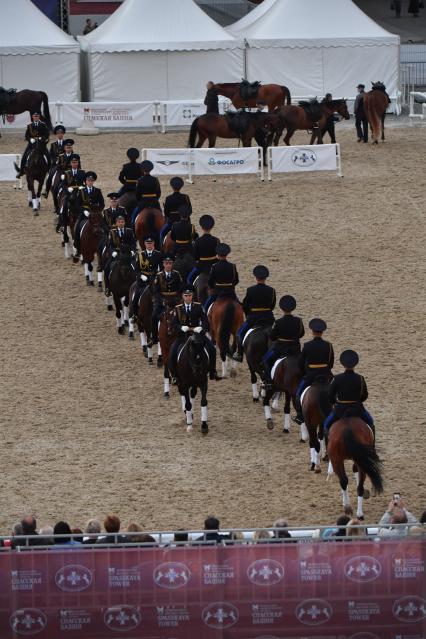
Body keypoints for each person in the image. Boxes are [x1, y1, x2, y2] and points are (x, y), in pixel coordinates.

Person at [169, 285, 217, 380]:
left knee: (212, 349)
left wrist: (201, 328)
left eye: (190, 295)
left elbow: (205, 322)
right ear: (183, 297)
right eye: (186, 296)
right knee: (172, 352)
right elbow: (173, 324)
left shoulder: (198, 306)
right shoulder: (178, 308)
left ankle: (212, 371)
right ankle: (174, 375)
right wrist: (181, 327)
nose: (188, 297)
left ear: (192, 296)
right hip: (183, 335)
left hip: (197, 334)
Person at [323, 349, 375, 437]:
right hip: (357, 409)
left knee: (326, 425)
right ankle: (372, 448)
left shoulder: (337, 378)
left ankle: (328, 450)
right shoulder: (360, 378)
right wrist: (357, 401)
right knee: (371, 423)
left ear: (343, 365)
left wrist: (335, 402)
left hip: (340, 409)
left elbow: (330, 396)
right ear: (355, 364)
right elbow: (364, 396)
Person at [293, 318, 334, 424]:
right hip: (326, 374)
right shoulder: (328, 345)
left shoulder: (307, 346)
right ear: (322, 332)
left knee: (299, 394)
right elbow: (331, 363)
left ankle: (300, 416)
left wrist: (305, 373)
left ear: (312, 331)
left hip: (311, 375)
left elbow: (300, 363)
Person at [233, 265, 276, 362]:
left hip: (254, 318)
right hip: (269, 318)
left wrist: (248, 314)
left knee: (239, 333)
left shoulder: (251, 290)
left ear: (256, 277)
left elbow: (246, 305)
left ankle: (239, 354)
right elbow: (272, 305)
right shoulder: (271, 290)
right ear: (265, 278)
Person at [262, 295, 305, 386]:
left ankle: (268, 381)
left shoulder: (278, 322)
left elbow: (272, 337)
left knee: (265, 360)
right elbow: (301, 334)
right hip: (295, 349)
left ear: (282, 309)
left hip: (280, 349)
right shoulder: (299, 321)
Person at [151, 255, 183, 345]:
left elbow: (180, 289)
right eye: (166, 263)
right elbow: (156, 291)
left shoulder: (176, 274)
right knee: (154, 316)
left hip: (175, 299)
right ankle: (154, 337)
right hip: (162, 300)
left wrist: (177, 299)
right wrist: (162, 301)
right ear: (163, 265)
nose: (168, 265)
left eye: (170, 263)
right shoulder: (159, 276)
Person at [129, 236, 162, 319]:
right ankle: (134, 314)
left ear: (153, 244)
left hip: (154, 279)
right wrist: (141, 276)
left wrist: (157, 276)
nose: (149, 245)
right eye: (147, 243)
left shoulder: (158, 254)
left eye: (151, 243)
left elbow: (161, 268)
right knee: (136, 295)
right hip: (142, 280)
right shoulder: (141, 254)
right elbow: (136, 269)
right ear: (144, 244)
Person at [73, 171, 105, 257]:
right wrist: (83, 211)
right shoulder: (81, 191)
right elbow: (77, 204)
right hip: (85, 214)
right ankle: (78, 249)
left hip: (95, 214)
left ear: (93, 181)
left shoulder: (97, 191)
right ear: (85, 181)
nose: (90, 182)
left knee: (105, 227)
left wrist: (98, 211)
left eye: (91, 181)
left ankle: (105, 247)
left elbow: (102, 204)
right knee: (77, 228)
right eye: (88, 181)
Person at [104, 214, 136, 293]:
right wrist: (113, 252)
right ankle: (108, 287)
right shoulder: (112, 232)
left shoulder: (129, 231)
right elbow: (109, 245)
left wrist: (132, 251)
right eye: (119, 222)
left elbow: (133, 243)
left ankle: (136, 286)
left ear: (124, 222)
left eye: (122, 222)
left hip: (128, 255)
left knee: (136, 268)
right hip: (117, 255)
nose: (121, 223)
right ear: (116, 223)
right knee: (107, 268)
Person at [204, 243, 239, 311]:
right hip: (230, 291)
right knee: (240, 306)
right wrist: (231, 286)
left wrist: (211, 288)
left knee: (206, 307)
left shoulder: (214, 266)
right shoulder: (232, 266)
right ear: (226, 255)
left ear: (218, 255)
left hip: (217, 291)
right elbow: (236, 280)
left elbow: (211, 280)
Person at [16, 111, 50, 178]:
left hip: (41, 144)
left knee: (48, 155)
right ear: (32, 117)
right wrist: (30, 139)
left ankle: (49, 171)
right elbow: (26, 136)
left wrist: (42, 138)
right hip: (32, 144)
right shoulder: (30, 126)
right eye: (34, 116)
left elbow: (47, 134)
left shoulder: (43, 124)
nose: (36, 117)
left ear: (39, 117)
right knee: (24, 156)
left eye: (37, 116)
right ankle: (21, 171)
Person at [187, 214, 219, 284]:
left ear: (201, 227)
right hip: (214, 263)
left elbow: (195, 257)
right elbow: (219, 253)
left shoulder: (198, 241)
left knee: (189, 279)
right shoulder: (216, 240)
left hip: (202, 265)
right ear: (211, 227)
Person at [160, 177, 193, 242]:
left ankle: (162, 250)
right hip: (186, 222)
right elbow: (190, 211)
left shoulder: (168, 198)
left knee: (161, 234)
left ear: (172, 187)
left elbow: (166, 213)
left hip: (171, 222)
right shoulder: (185, 197)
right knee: (194, 236)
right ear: (181, 187)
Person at [132, 160, 161, 225]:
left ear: (142, 170)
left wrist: (139, 201)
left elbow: (137, 194)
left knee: (133, 218)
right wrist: (155, 199)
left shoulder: (140, 180)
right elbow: (158, 193)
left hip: (143, 202)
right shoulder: (155, 179)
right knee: (161, 215)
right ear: (151, 169)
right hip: (154, 202)